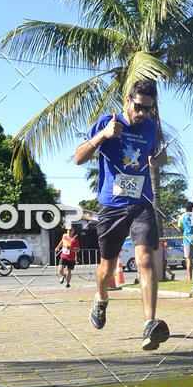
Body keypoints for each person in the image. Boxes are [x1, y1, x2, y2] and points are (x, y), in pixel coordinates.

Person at [74, 79, 170, 351]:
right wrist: (103, 135)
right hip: (112, 206)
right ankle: (101, 298)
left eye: (148, 110)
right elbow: (79, 157)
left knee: (146, 259)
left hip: (141, 203)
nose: (142, 114)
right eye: (138, 107)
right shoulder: (107, 121)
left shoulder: (151, 128)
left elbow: (154, 157)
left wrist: (158, 160)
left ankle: (149, 325)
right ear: (127, 100)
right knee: (107, 268)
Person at [180, 201, 193, 281]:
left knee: (189, 259)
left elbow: (179, 228)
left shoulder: (182, 216)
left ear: (185, 208)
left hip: (187, 239)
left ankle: (189, 277)